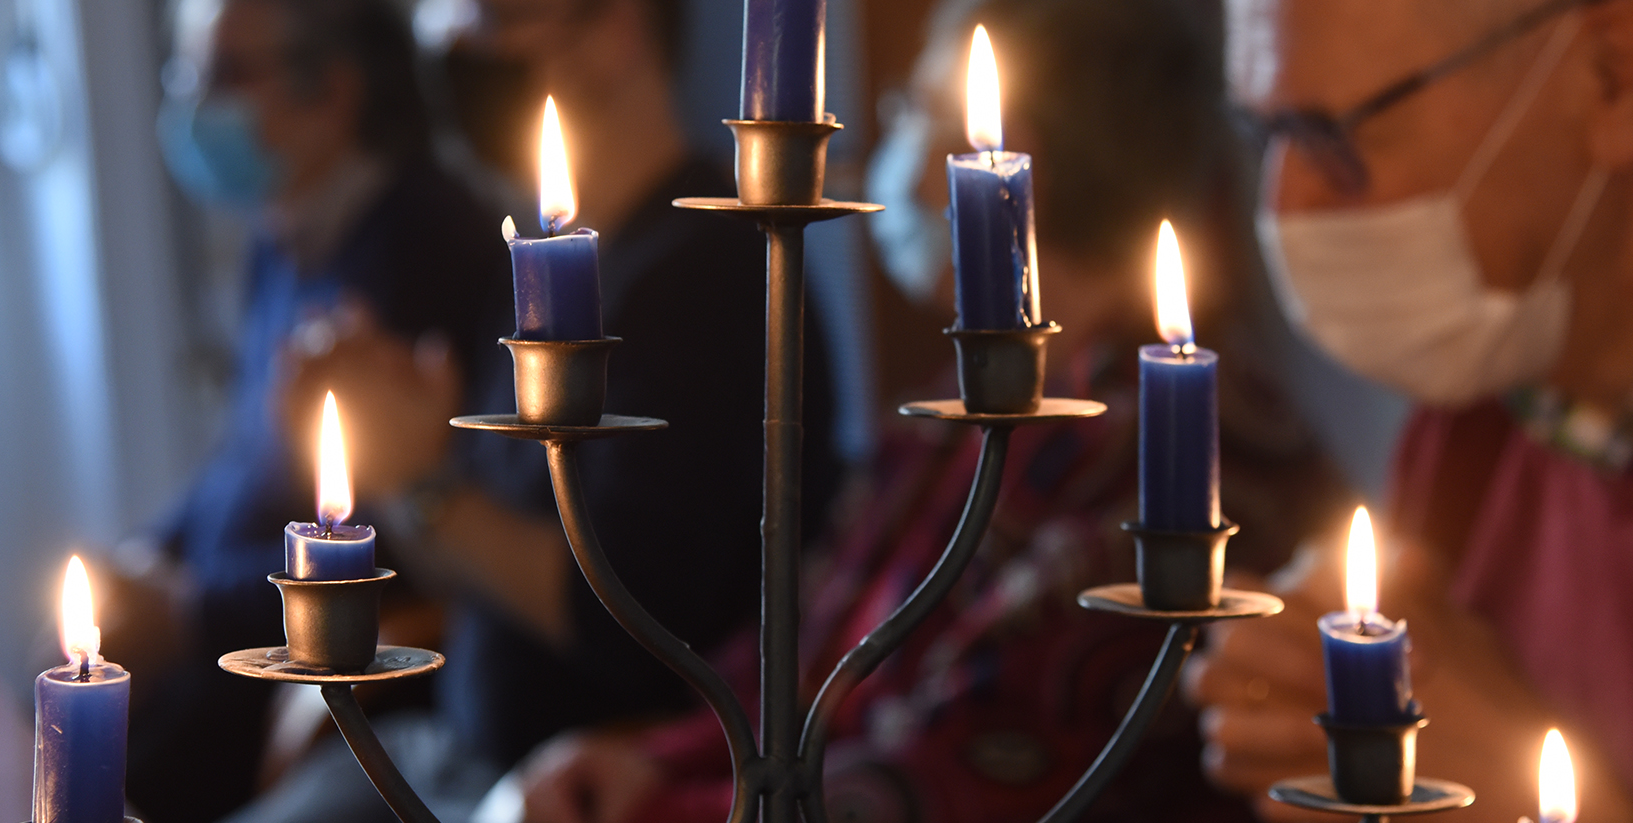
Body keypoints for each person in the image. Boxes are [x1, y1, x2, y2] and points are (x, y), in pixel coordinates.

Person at [499, 0, 1352, 821]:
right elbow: (788, 681)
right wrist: (645, 763)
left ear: (1019, 174)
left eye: (915, 108)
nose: (892, 142)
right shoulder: (946, 435)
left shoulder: (1173, 466)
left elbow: (941, 786)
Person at [212, 0, 844, 819]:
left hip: (570, 784)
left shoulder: (709, 279)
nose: (456, 50)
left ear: (616, 29)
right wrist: (390, 435)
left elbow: (630, 614)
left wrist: (426, 482)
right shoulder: (550, 276)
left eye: (492, 18)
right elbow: (482, 553)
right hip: (450, 749)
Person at [1190, 0, 1633, 819]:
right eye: (1266, 138)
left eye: (1330, 135)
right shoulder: (1479, 427)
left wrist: (1509, 771)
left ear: (1613, 75)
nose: (1283, 210)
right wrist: (1303, 700)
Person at [115, 1, 509, 820]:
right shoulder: (283, 233)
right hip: (226, 626)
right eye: (185, 74)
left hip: (308, 668)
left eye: (223, 75)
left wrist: (187, 613)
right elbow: (242, 458)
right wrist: (150, 558)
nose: (192, 103)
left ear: (331, 90)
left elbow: (388, 542)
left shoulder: (423, 245)